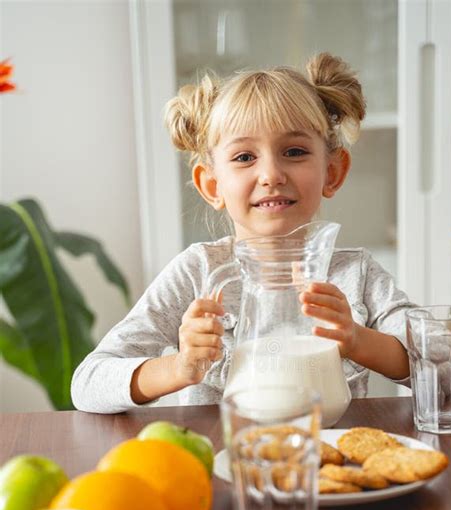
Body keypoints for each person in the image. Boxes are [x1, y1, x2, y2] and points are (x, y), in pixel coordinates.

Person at [71, 53, 415, 414]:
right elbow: (88, 383)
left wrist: (358, 340)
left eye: (294, 151)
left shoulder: (355, 275)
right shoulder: (197, 272)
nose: (271, 174)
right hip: (223, 460)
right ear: (212, 184)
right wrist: (179, 367)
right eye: (244, 157)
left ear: (333, 172)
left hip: (329, 462)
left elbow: (448, 364)